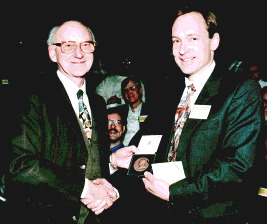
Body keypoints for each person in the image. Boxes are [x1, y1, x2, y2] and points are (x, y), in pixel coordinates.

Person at [129, 6, 265, 224]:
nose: (183, 49)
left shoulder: (240, 89)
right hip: (160, 211)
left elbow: (237, 166)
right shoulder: (168, 90)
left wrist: (176, 193)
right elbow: (147, 141)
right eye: (176, 41)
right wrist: (120, 166)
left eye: (193, 38)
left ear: (214, 41)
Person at [5, 20, 123, 224]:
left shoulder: (97, 102)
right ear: (52, 52)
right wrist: (84, 189)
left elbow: (86, 159)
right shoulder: (32, 97)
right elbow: (21, 165)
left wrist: (111, 163)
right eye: (68, 46)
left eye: (86, 45)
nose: (79, 53)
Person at [121, 77, 150, 146]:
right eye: (125, 90)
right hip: (122, 149)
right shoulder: (120, 112)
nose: (129, 92)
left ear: (140, 90)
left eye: (132, 88)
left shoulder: (150, 111)